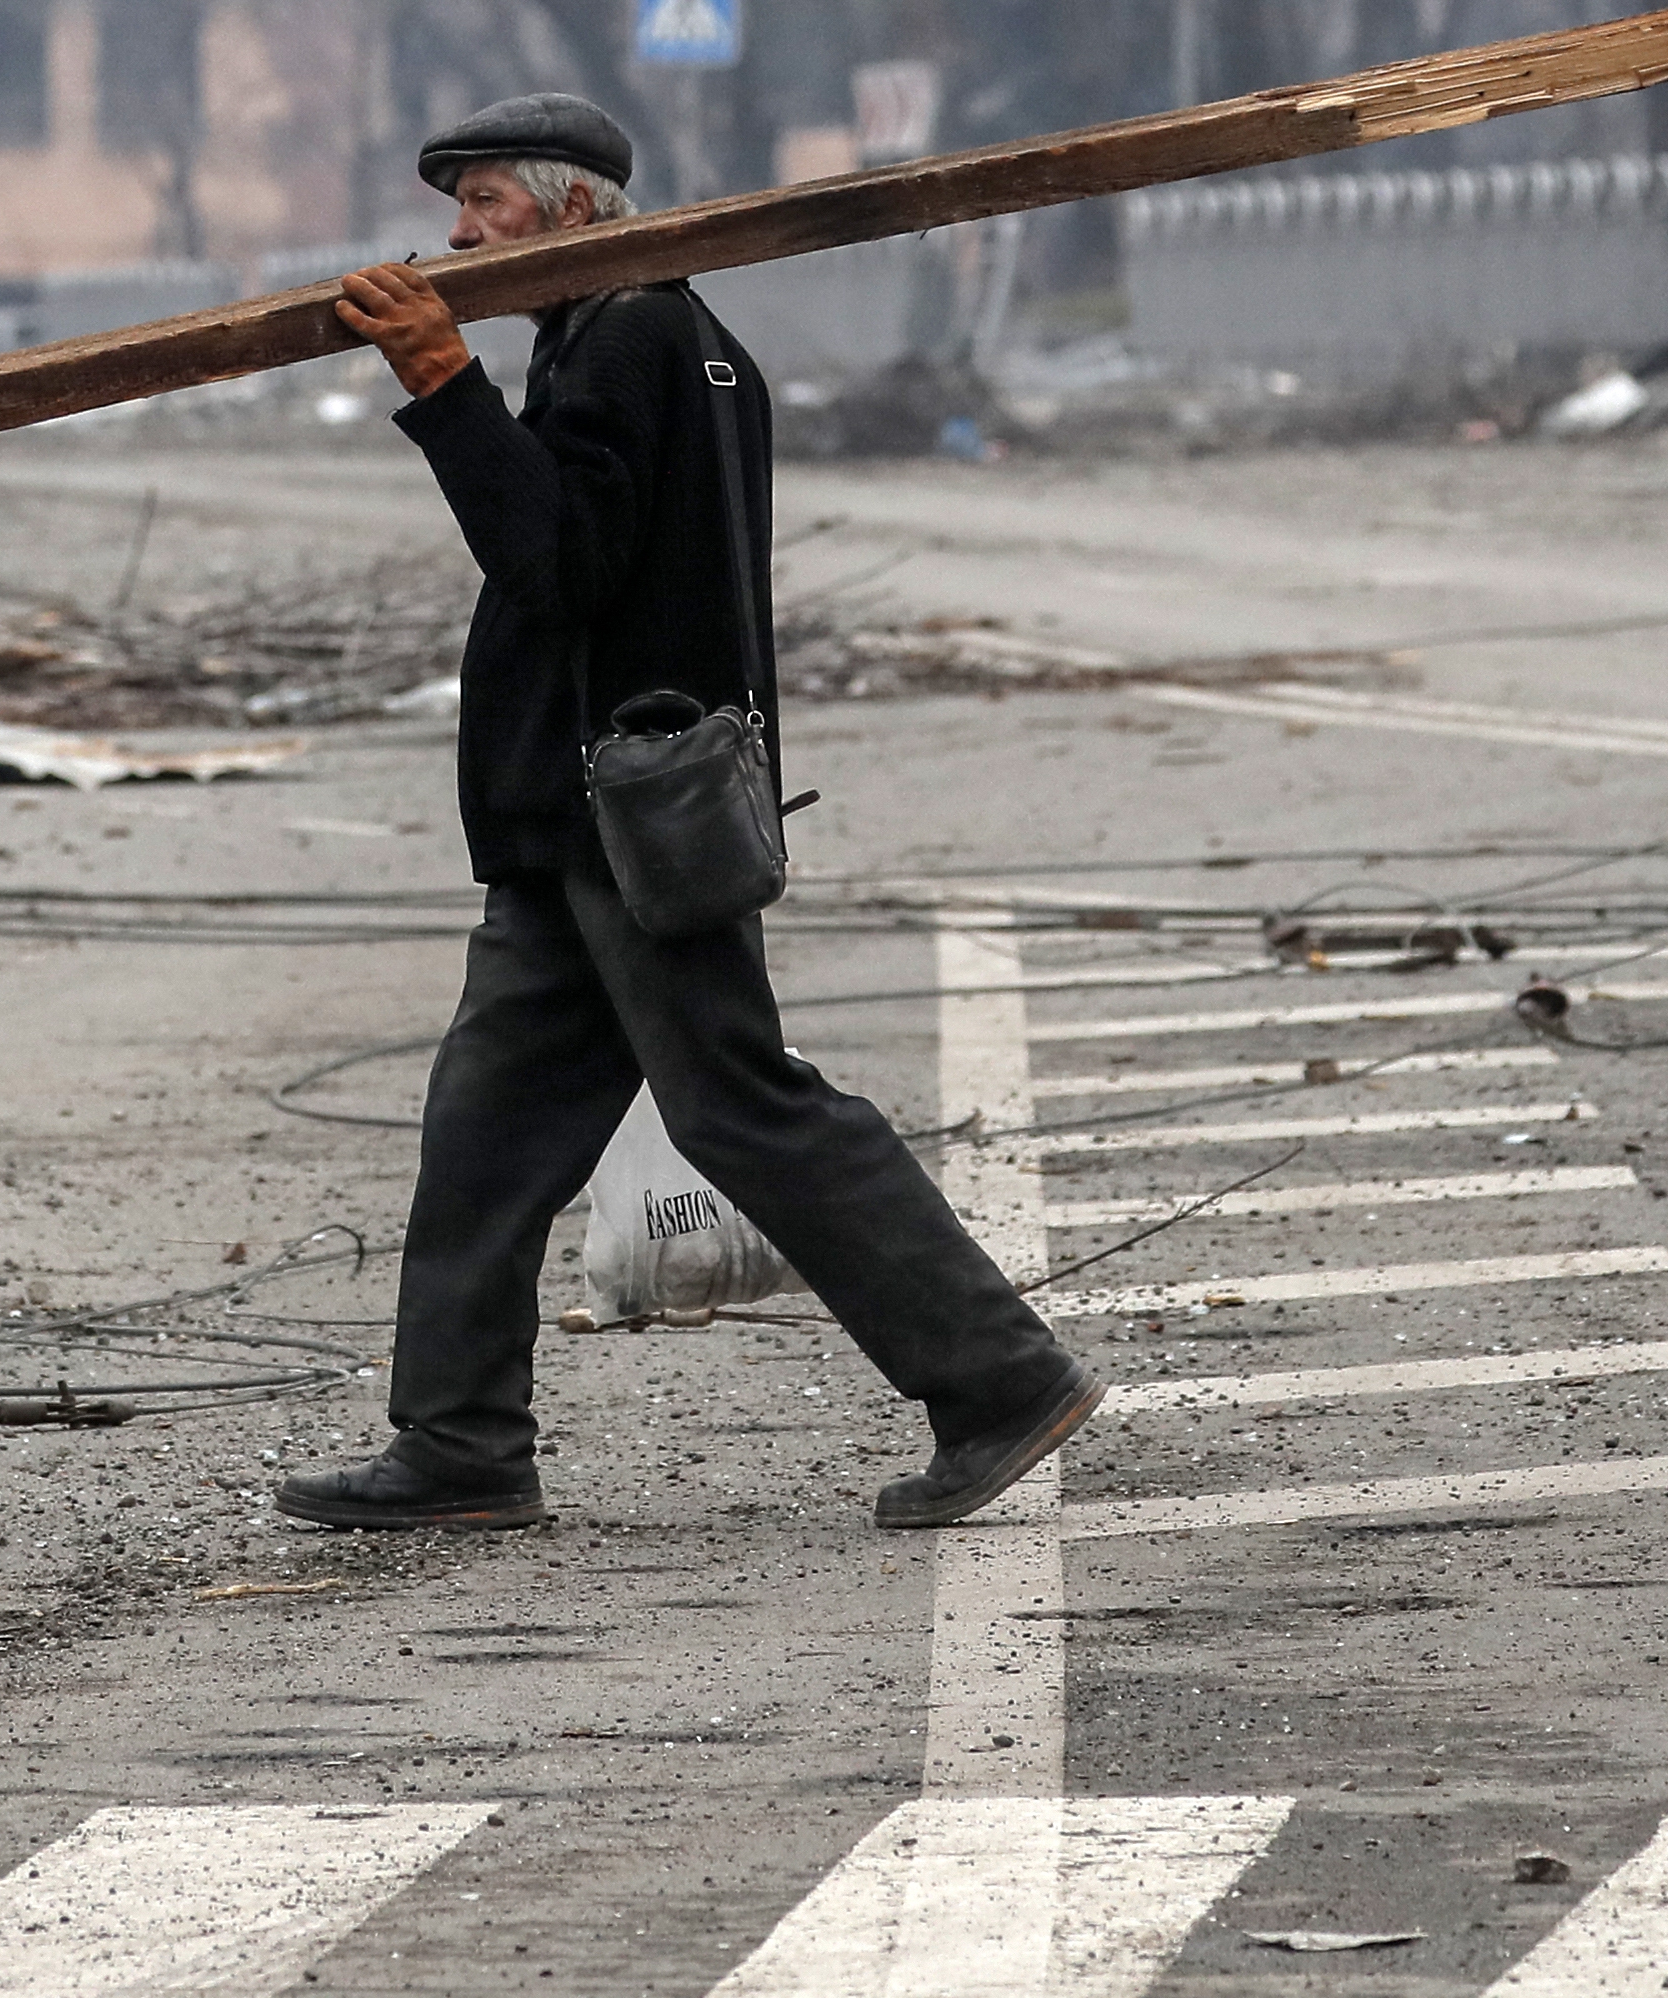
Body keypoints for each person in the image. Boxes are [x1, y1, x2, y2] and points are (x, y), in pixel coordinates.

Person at [275, 91, 1098, 1534]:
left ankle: (998, 1378)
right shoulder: (655, 336)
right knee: (484, 1134)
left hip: (628, 816)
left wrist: (439, 382)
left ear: (577, 207)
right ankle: (460, 1444)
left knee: (746, 1106)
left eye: (487, 204)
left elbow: (560, 559)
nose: (458, 233)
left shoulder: (638, 337)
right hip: (583, 820)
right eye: (458, 205)